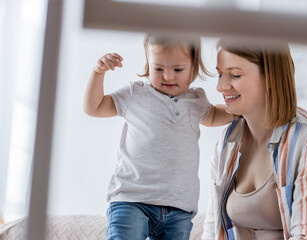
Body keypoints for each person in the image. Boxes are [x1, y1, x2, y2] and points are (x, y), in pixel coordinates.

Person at [202, 39, 307, 240]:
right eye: (220, 74)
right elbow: (212, 231)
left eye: (235, 75)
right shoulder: (228, 141)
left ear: (270, 77)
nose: (220, 86)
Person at [83, 33, 233, 240]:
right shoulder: (135, 94)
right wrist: (98, 73)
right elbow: (95, 107)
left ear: (193, 69)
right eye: (158, 69)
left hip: (179, 208)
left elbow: (215, 115)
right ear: (148, 64)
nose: (168, 76)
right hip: (132, 200)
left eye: (178, 70)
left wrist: (243, 107)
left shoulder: (196, 100)